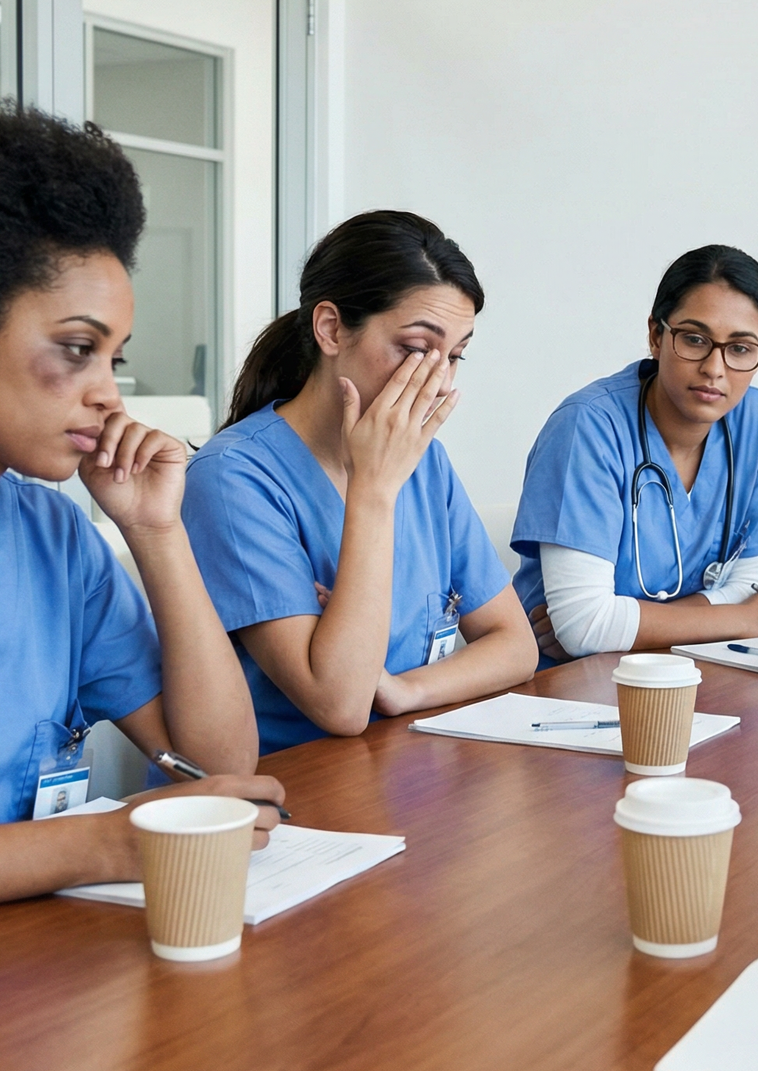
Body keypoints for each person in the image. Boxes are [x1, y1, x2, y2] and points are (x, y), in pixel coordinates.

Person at [0, 103, 282, 916]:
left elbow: (219, 765)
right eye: (77, 349)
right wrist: (100, 843)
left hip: (29, 984)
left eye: (115, 358)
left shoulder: (54, 536)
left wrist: (156, 531)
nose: (108, 393)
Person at [182, 212, 538, 753]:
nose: (438, 382)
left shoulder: (425, 463)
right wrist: (373, 490)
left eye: (457, 356)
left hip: (401, 764)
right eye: (417, 350)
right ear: (330, 329)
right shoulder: (232, 479)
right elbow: (341, 705)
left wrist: (402, 690)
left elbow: (515, 646)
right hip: (288, 793)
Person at [511, 245, 758, 661]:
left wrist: (630, 622)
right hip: (566, 685)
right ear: (656, 335)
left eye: (740, 348)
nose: (714, 368)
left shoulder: (755, 420)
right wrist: (748, 620)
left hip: (689, 673)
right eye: (694, 339)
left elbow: (755, 585)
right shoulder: (588, 426)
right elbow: (584, 628)